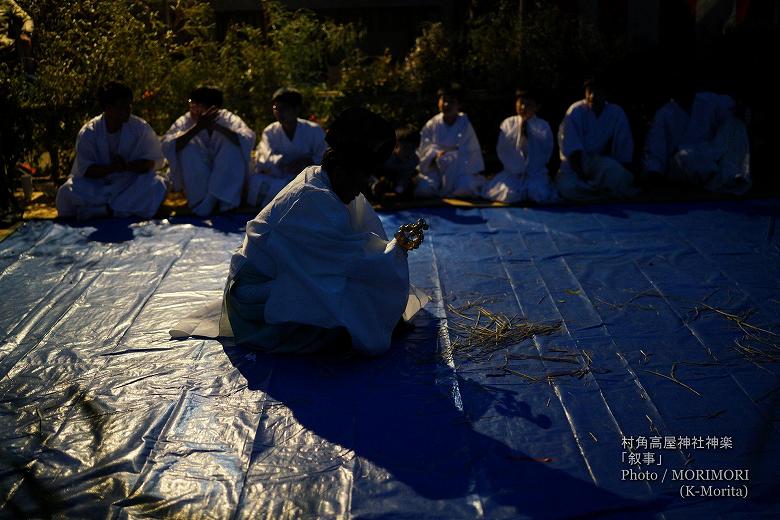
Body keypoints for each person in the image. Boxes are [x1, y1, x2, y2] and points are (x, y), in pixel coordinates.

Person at [170, 107, 428, 355]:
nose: (361, 189)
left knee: (361, 291)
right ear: (339, 170)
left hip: (288, 273)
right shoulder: (313, 197)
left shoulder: (330, 182)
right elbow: (347, 260)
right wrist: (394, 251)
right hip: (256, 294)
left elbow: (358, 241)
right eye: (359, 179)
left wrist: (389, 252)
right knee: (350, 298)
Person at [56, 81, 166, 220]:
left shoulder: (140, 128)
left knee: (157, 184)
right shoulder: (89, 132)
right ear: (108, 108)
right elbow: (86, 170)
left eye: (129, 105)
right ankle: (119, 209)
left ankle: (105, 211)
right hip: (98, 186)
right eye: (122, 106)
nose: (128, 110)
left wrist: (127, 166)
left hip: (128, 183)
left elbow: (152, 163)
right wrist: (112, 168)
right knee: (66, 191)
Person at [161, 86, 255, 216]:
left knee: (234, 146)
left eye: (197, 105)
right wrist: (197, 128)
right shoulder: (185, 120)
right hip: (199, 182)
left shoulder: (227, 118)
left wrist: (216, 127)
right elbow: (167, 145)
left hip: (223, 172)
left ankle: (224, 200)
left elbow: (247, 139)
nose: (193, 109)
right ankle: (201, 202)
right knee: (187, 147)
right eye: (191, 104)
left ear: (213, 108)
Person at [643, 86, 751, 195]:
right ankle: (719, 179)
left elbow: (733, 107)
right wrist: (654, 173)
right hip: (684, 162)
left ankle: (731, 175)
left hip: (710, 155)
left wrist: (741, 109)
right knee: (685, 157)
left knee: (736, 123)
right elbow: (656, 150)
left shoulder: (709, 101)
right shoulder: (664, 114)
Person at [555, 79, 638, 202]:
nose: (592, 96)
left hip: (597, 162)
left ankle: (596, 190)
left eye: (597, 92)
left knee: (618, 175)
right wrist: (581, 175)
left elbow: (623, 147)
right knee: (566, 188)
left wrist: (619, 170)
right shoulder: (575, 110)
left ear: (605, 94)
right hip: (574, 165)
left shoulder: (616, 113)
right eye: (590, 91)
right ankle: (601, 192)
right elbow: (571, 148)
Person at [246, 87, 326, 208]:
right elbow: (264, 158)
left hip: (305, 177)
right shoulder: (270, 131)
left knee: (308, 187)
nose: (279, 113)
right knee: (256, 181)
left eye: (284, 109)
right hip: (279, 175)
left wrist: (307, 162)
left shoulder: (314, 130)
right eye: (276, 108)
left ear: (296, 109)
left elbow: (324, 157)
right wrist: (281, 163)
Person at [482, 89, 557, 204]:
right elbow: (503, 149)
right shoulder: (508, 123)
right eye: (521, 103)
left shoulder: (543, 126)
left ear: (536, 107)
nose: (523, 107)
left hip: (535, 173)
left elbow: (546, 151)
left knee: (537, 194)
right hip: (513, 173)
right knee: (509, 195)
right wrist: (516, 167)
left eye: (528, 105)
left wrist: (530, 137)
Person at [415, 85, 485, 198]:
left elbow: (470, 152)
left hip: (458, 169)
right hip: (435, 169)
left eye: (451, 102)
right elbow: (424, 150)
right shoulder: (432, 124)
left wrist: (450, 158)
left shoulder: (464, 124)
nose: (446, 105)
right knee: (423, 190)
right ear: (439, 102)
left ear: (458, 105)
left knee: (465, 189)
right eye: (444, 101)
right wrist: (434, 155)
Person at [369, 124, 420, 201]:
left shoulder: (414, 160)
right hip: (380, 176)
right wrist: (375, 182)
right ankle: (375, 192)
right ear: (396, 146)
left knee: (410, 184)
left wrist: (399, 190)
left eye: (413, 149)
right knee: (378, 182)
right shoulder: (385, 156)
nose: (409, 152)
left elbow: (405, 177)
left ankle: (397, 195)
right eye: (405, 148)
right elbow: (369, 171)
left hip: (396, 180)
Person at [0, 0, 34, 76]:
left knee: (25, 41)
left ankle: (29, 75)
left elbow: (27, 19)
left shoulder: (6, 3)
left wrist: (26, 32)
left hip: (5, 49)